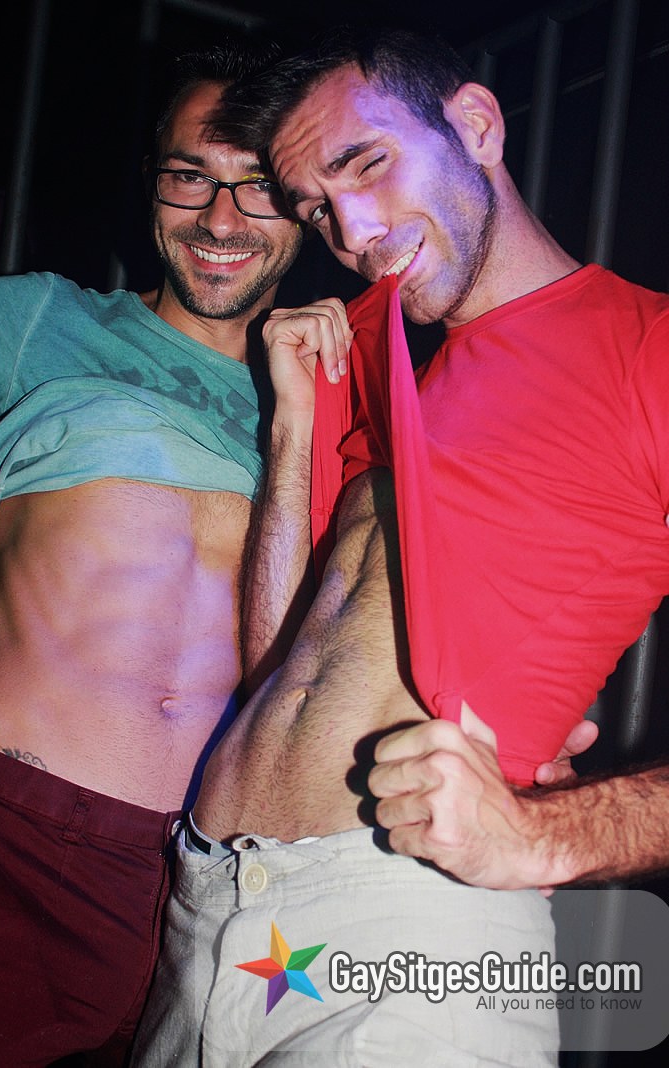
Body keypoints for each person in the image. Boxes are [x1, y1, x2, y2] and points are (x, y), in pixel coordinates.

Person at [128, 25, 663, 1068]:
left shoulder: (648, 349)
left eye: (366, 164)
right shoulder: (391, 390)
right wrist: (295, 426)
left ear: (476, 125)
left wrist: (551, 834)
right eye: (318, 209)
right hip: (212, 913)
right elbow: (277, 667)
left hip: (406, 927)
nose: (355, 232)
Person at [0, 38, 306, 1067]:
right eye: (190, 176)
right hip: (13, 837)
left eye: (260, 187)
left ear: (308, 209)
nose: (222, 219)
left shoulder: (327, 404)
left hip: (225, 883)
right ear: (151, 182)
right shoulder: (43, 323)